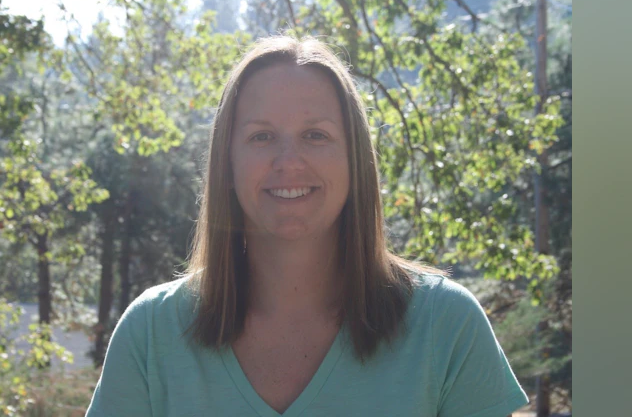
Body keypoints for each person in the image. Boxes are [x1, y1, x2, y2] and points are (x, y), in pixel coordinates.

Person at [86, 35, 528, 417]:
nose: (289, 162)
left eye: (316, 135)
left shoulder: (446, 325)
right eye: (261, 136)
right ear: (228, 164)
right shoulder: (150, 334)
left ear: (355, 159)